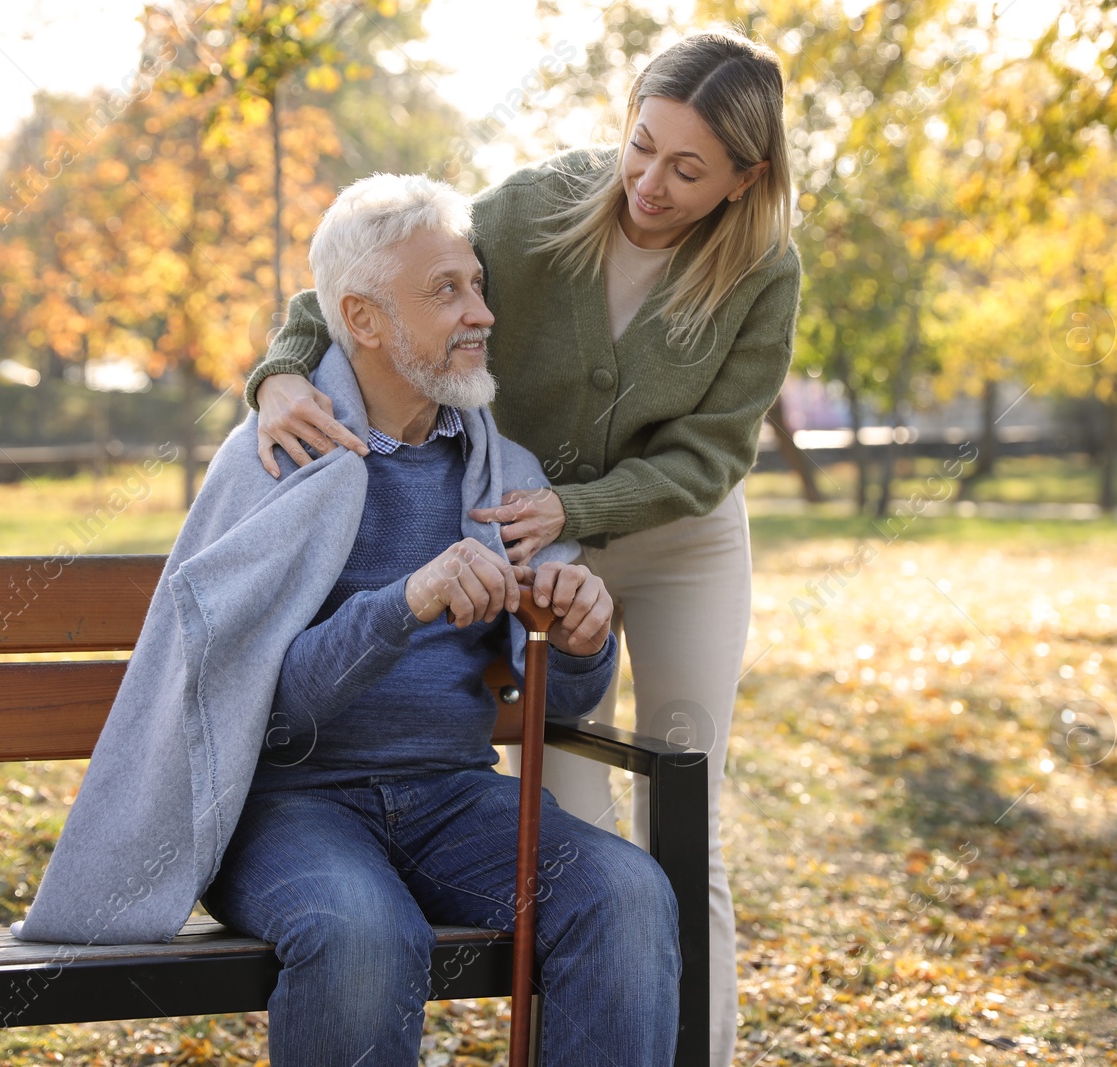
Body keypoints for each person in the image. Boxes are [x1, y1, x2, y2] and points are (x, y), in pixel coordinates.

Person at [243, 32, 799, 1066]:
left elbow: (713, 451)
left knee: (684, 805)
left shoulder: (761, 268)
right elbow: (369, 270)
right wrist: (279, 369)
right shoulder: (543, 203)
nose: (649, 182)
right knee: (559, 810)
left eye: (688, 170)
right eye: (641, 146)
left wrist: (573, 500)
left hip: (675, 532)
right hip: (536, 529)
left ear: (744, 177)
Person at [201, 172, 681, 1067]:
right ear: (365, 319)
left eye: (477, 284)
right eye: (446, 290)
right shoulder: (274, 460)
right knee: (364, 936)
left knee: (624, 893)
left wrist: (580, 637)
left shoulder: (506, 470)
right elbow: (249, 712)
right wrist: (404, 604)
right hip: (289, 808)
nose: (482, 313)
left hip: (452, 796)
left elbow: (564, 700)